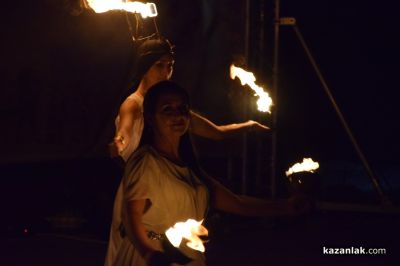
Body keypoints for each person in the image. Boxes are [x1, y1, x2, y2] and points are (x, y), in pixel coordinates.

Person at [105, 81, 309, 266]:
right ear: (150, 118)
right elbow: (131, 215)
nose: (178, 115)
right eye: (167, 110)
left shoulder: (192, 172)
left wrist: (286, 207)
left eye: (183, 109)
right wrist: (149, 254)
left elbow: (238, 203)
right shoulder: (146, 161)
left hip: (186, 257)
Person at [111, 37, 269, 162]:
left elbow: (217, 132)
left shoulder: (172, 108)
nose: (166, 72)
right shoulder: (133, 104)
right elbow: (124, 129)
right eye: (159, 65)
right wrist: (120, 140)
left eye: (170, 66)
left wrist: (250, 125)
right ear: (144, 67)